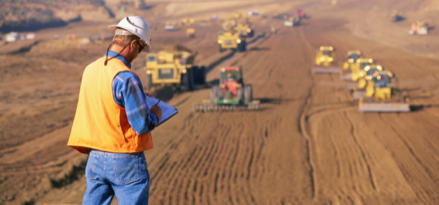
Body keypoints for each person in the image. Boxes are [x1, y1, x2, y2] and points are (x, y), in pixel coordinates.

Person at [67, 16, 162, 205]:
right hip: (124, 159)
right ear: (133, 44)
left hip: (95, 158)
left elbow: (106, 100)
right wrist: (155, 114)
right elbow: (141, 126)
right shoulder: (127, 77)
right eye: (141, 48)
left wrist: (135, 99)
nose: (138, 54)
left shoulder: (90, 69)